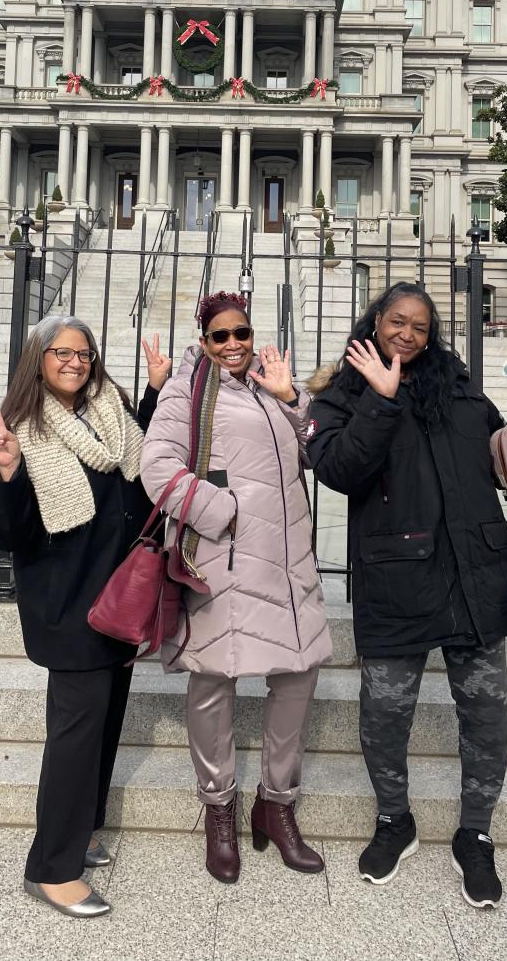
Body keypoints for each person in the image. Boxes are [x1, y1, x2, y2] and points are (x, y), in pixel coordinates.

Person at [307, 282, 507, 910]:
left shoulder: (461, 385)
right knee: (385, 714)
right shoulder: (344, 390)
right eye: (397, 322)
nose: (407, 334)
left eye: (419, 325)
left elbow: (505, 468)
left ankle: (476, 832)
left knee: (486, 715)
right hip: (395, 576)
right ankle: (395, 820)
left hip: (475, 575)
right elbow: (336, 470)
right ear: (376, 322)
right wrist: (381, 404)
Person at [0, 316, 172, 919]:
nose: (76, 361)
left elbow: (141, 464)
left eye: (84, 353)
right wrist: (7, 470)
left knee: (106, 724)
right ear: (39, 358)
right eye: (63, 352)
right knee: (76, 734)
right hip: (69, 602)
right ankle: (52, 868)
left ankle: (83, 830)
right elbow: (7, 533)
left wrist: (156, 392)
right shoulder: (22, 429)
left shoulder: (111, 409)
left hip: (121, 595)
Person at [139, 291, 332, 883]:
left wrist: (293, 398)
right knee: (213, 679)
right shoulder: (186, 390)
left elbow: (312, 451)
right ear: (203, 342)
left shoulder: (267, 389)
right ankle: (218, 807)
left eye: (240, 333)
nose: (232, 344)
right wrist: (221, 510)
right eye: (220, 336)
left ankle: (276, 804)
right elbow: (157, 467)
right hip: (222, 557)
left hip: (286, 555)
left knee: (298, 675)